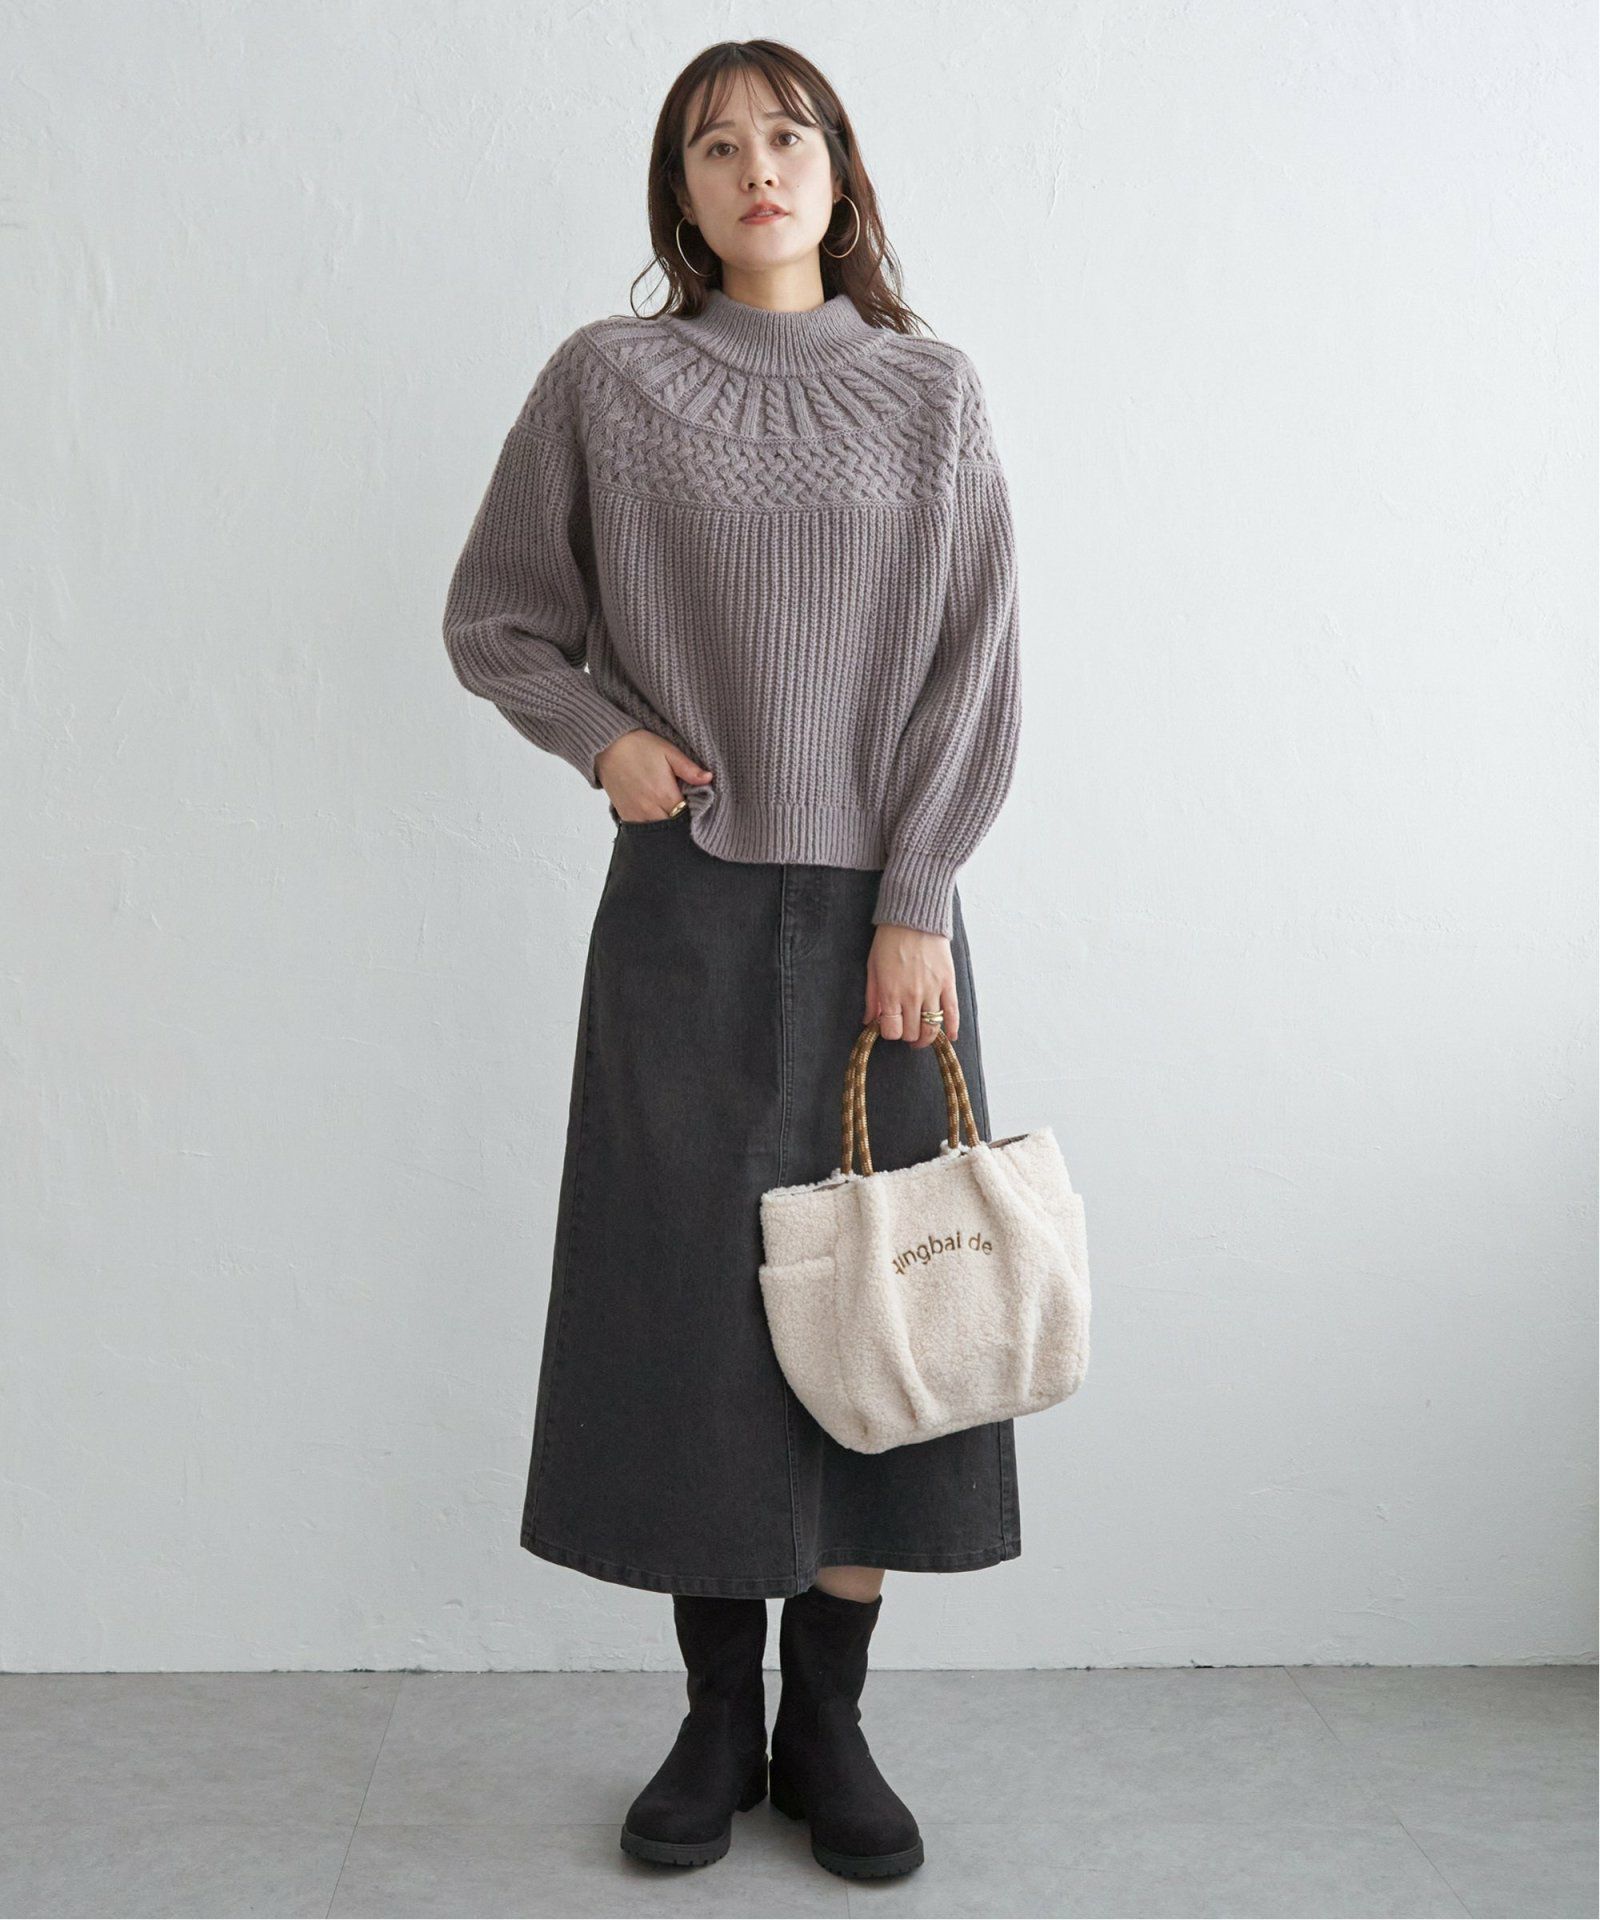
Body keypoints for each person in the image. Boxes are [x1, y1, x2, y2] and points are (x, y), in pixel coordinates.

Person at [440, 38, 1023, 1885]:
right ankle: (714, 1718)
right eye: (713, 146)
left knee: (880, 1307)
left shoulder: (929, 392)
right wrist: (602, 737)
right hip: (682, 912)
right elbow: (496, 618)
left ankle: (825, 1726)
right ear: (678, 194)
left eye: (786, 135)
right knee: (697, 1313)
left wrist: (917, 898)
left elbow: (975, 669)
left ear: (838, 171)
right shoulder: (606, 384)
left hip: (884, 925)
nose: (754, 166)